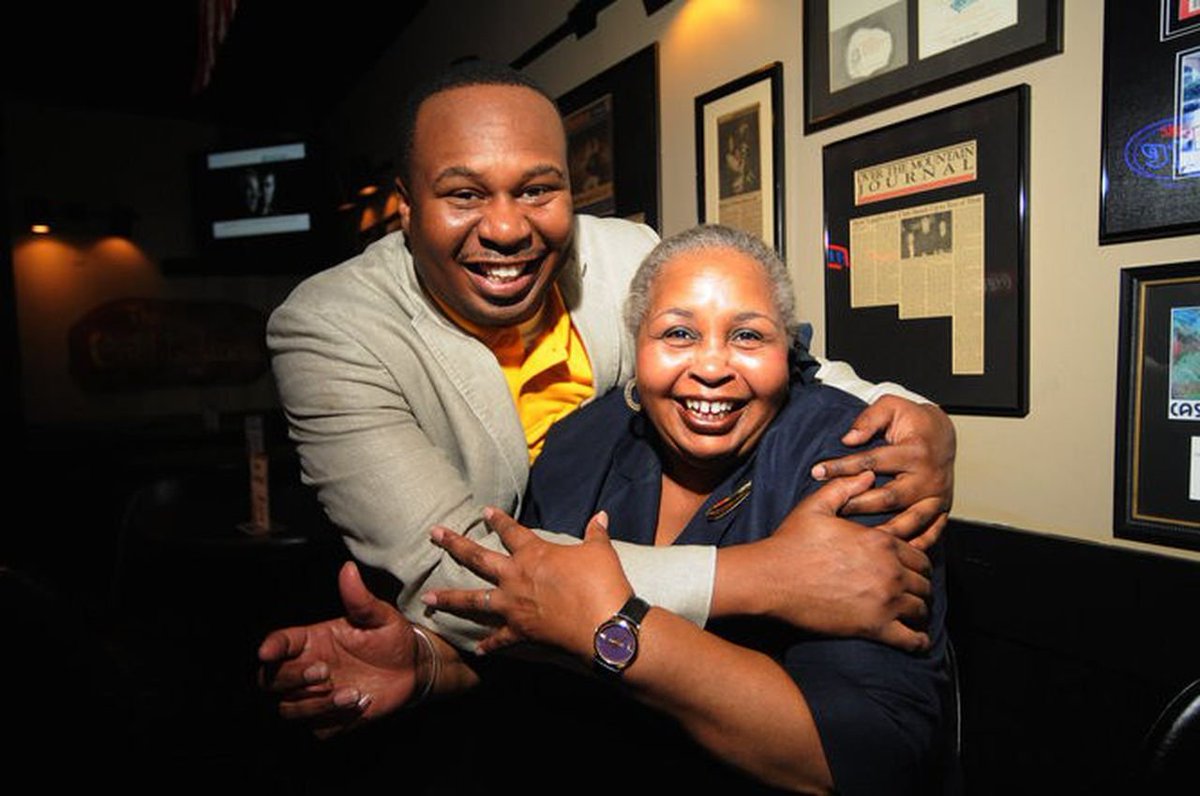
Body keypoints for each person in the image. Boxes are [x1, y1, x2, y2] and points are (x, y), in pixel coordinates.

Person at [260, 61, 955, 713]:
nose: (506, 228)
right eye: (464, 194)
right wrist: (765, 578)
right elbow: (462, 572)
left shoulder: (621, 254)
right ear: (406, 207)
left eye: (537, 189)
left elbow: (763, 347)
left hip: (633, 679)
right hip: (499, 684)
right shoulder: (329, 329)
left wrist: (918, 416)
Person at [266, 225, 949, 793]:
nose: (712, 366)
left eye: (748, 336)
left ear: (788, 350)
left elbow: (869, 753)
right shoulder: (576, 448)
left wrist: (617, 632)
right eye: (679, 334)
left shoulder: (853, 460)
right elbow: (534, 638)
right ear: (636, 345)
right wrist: (427, 665)